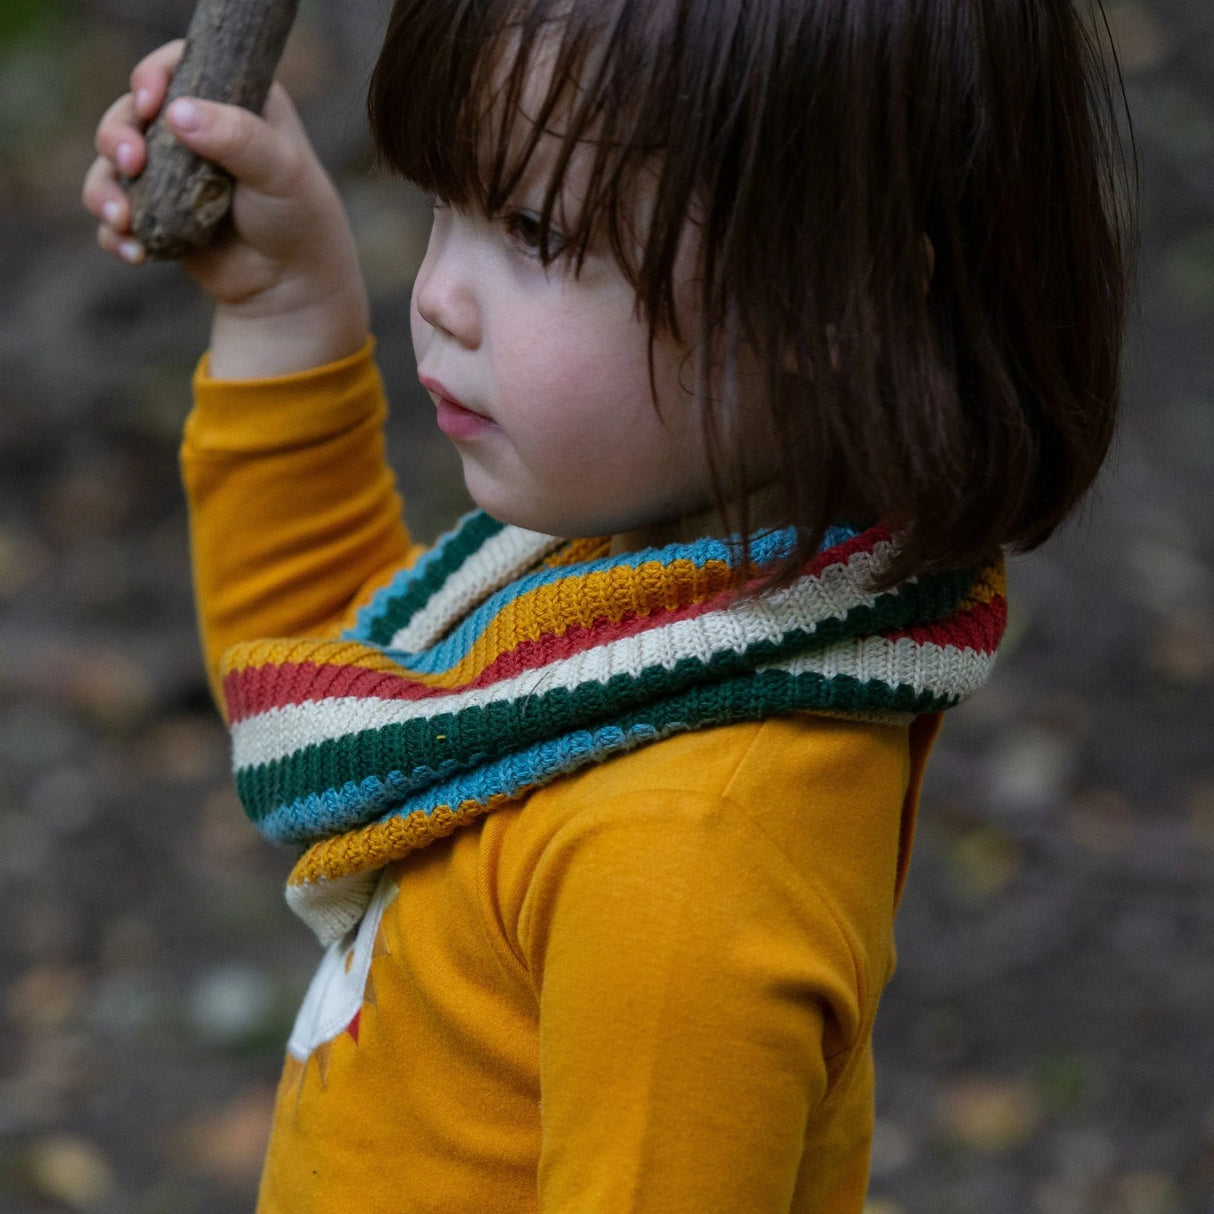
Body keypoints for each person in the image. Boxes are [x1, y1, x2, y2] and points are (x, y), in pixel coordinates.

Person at [84, 1, 1132, 1209]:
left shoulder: (683, 854)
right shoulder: (657, 597)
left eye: (534, 229)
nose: (436, 295)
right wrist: (282, 309)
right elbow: (368, 709)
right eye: (442, 202)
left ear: (830, 301)